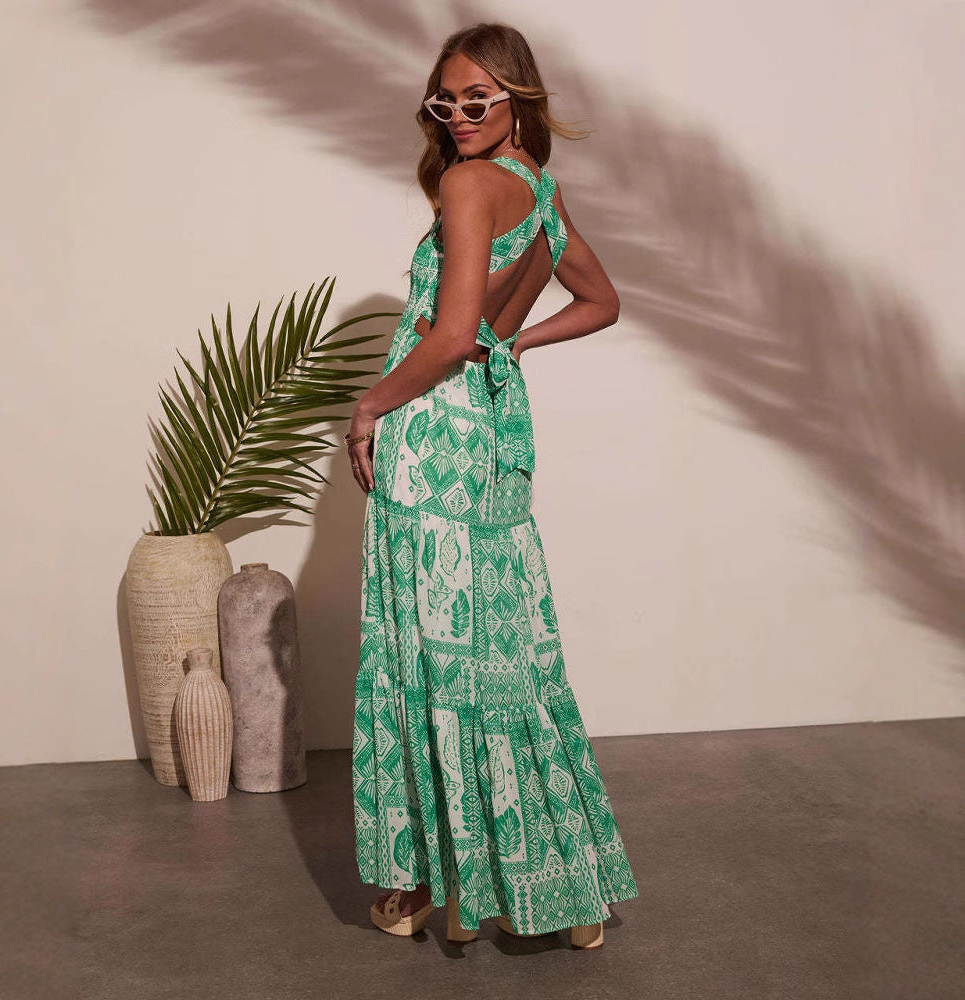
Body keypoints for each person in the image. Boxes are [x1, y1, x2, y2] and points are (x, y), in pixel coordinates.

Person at [345, 22, 638, 950]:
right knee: (506, 655)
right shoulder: (540, 191)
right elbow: (601, 302)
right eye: (446, 101)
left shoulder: (470, 186)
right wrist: (510, 346)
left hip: (432, 440)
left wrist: (369, 407)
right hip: (494, 441)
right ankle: (564, 894)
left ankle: (433, 889)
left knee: (428, 659)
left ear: (518, 97)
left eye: (478, 98)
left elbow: (445, 334)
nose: (460, 116)